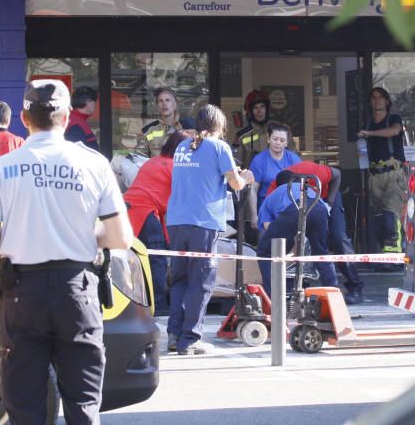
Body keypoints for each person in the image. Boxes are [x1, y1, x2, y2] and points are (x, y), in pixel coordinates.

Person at [0, 79, 133, 424]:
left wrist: (20, 231)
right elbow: (120, 237)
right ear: (67, 117)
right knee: (83, 405)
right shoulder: (94, 163)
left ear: (25, 119)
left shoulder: (3, 168)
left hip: (22, 293)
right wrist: (80, 233)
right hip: (78, 290)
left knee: (25, 405)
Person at [166, 104, 254, 355]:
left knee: (180, 279)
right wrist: (245, 178)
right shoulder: (219, 147)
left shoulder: (183, 146)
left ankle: (174, 333)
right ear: (220, 126)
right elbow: (235, 184)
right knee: (201, 281)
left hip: (177, 220)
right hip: (202, 221)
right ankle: (191, 338)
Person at [264, 160, 365, 304]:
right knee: (313, 244)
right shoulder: (275, 190)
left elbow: (337, 175)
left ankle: (355, 286)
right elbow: (270, 221)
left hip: (327, 195)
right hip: (301, 204)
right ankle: (301, 285)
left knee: (338, 238)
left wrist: (329, 203)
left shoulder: (310, 170)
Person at [123, 129, 193, 316]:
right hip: (145, 212)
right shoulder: (175, 167)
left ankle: (142, 302)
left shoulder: (153, 162)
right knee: (157, 260)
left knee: (138, 259)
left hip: (131, 210)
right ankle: (159, 306)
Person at [256, 169, 338, 297]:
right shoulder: (309, 190)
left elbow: (269, 227)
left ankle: (273, 299)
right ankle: (334, 294)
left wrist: (284, 248)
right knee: (321, 253)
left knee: (265, 252)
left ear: (278, 184)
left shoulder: (274, 194)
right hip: (319, 208)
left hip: (294, 209)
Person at [357, 86, 406, 255]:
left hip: (394, 173)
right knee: (378, 219)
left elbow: (394, 131)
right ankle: (384, 255)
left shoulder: (394, 118)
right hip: (374, 175)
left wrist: (369, 133)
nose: (376, 100)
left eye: (380, 97)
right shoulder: (368, 123)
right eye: (373, 98)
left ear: (386, 101)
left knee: (390, 216)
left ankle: (395, 257)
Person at [247, 122, 301, 234]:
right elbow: (252, 190)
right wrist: (254, 215)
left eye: (282, 140)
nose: (278, 143)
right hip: (266, 211)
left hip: (290, 210)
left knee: (290, 247)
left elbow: (301, 188)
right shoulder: (259, 160)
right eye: (275, 139)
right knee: (266, 247)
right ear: (268, 139)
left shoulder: (293, 159)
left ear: (287, 143)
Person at [136, 87, 194, 157]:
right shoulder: (146, 131)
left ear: (175, 104)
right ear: (157, 106)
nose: (164, 104)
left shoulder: (189, 127)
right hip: (157, 167)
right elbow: (138, 157)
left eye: (167, 100)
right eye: (160, 101)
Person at [235, 89, 270, 167]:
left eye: (262, 106)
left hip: (276, 178)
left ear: (267, 109)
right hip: (251, 178)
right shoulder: (241, 136)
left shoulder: (280, 131)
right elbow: (235, 165)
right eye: (255, 108)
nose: (259, 111)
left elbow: (293, 160)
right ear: (250, 111)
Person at [65, 85, 99, 150]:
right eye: (94, 101)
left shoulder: (75, 119)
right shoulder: (75, 123)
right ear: (88, 101)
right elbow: (78, 153)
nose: (95, 104)